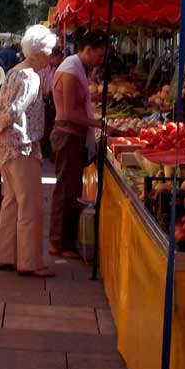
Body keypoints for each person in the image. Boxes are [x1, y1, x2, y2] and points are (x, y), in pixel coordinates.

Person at [0, 25, 57, 277]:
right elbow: (15, 109)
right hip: (21, 144)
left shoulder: (14, 71)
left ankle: (5, 255)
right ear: (38, 53)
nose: (51, 57)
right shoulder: (30, 76)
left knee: (12, 202)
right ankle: (30, 261)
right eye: (49, 52)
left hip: (8, 145)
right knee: (30, 204)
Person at [49, 30, 106, 258]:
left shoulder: (76, 67)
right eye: (99, 55)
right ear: (87, 50)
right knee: (66, 190)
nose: (100, 61)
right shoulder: (71, 71)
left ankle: (63, 242)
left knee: (70, 189)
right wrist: (96, 122)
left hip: (72, 135)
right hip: (68, 135)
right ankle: (59, 243)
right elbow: (68, 112)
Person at [39, 48, 64, 161]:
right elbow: (44, 86)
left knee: (49, 127)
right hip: (43, 101)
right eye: (59, 58)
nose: (60, 60)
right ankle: (44, 151)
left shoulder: (54, 69)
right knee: (45, 127)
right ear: (52, 57)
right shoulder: (43, 69)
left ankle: (49, 151)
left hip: (51, 101)